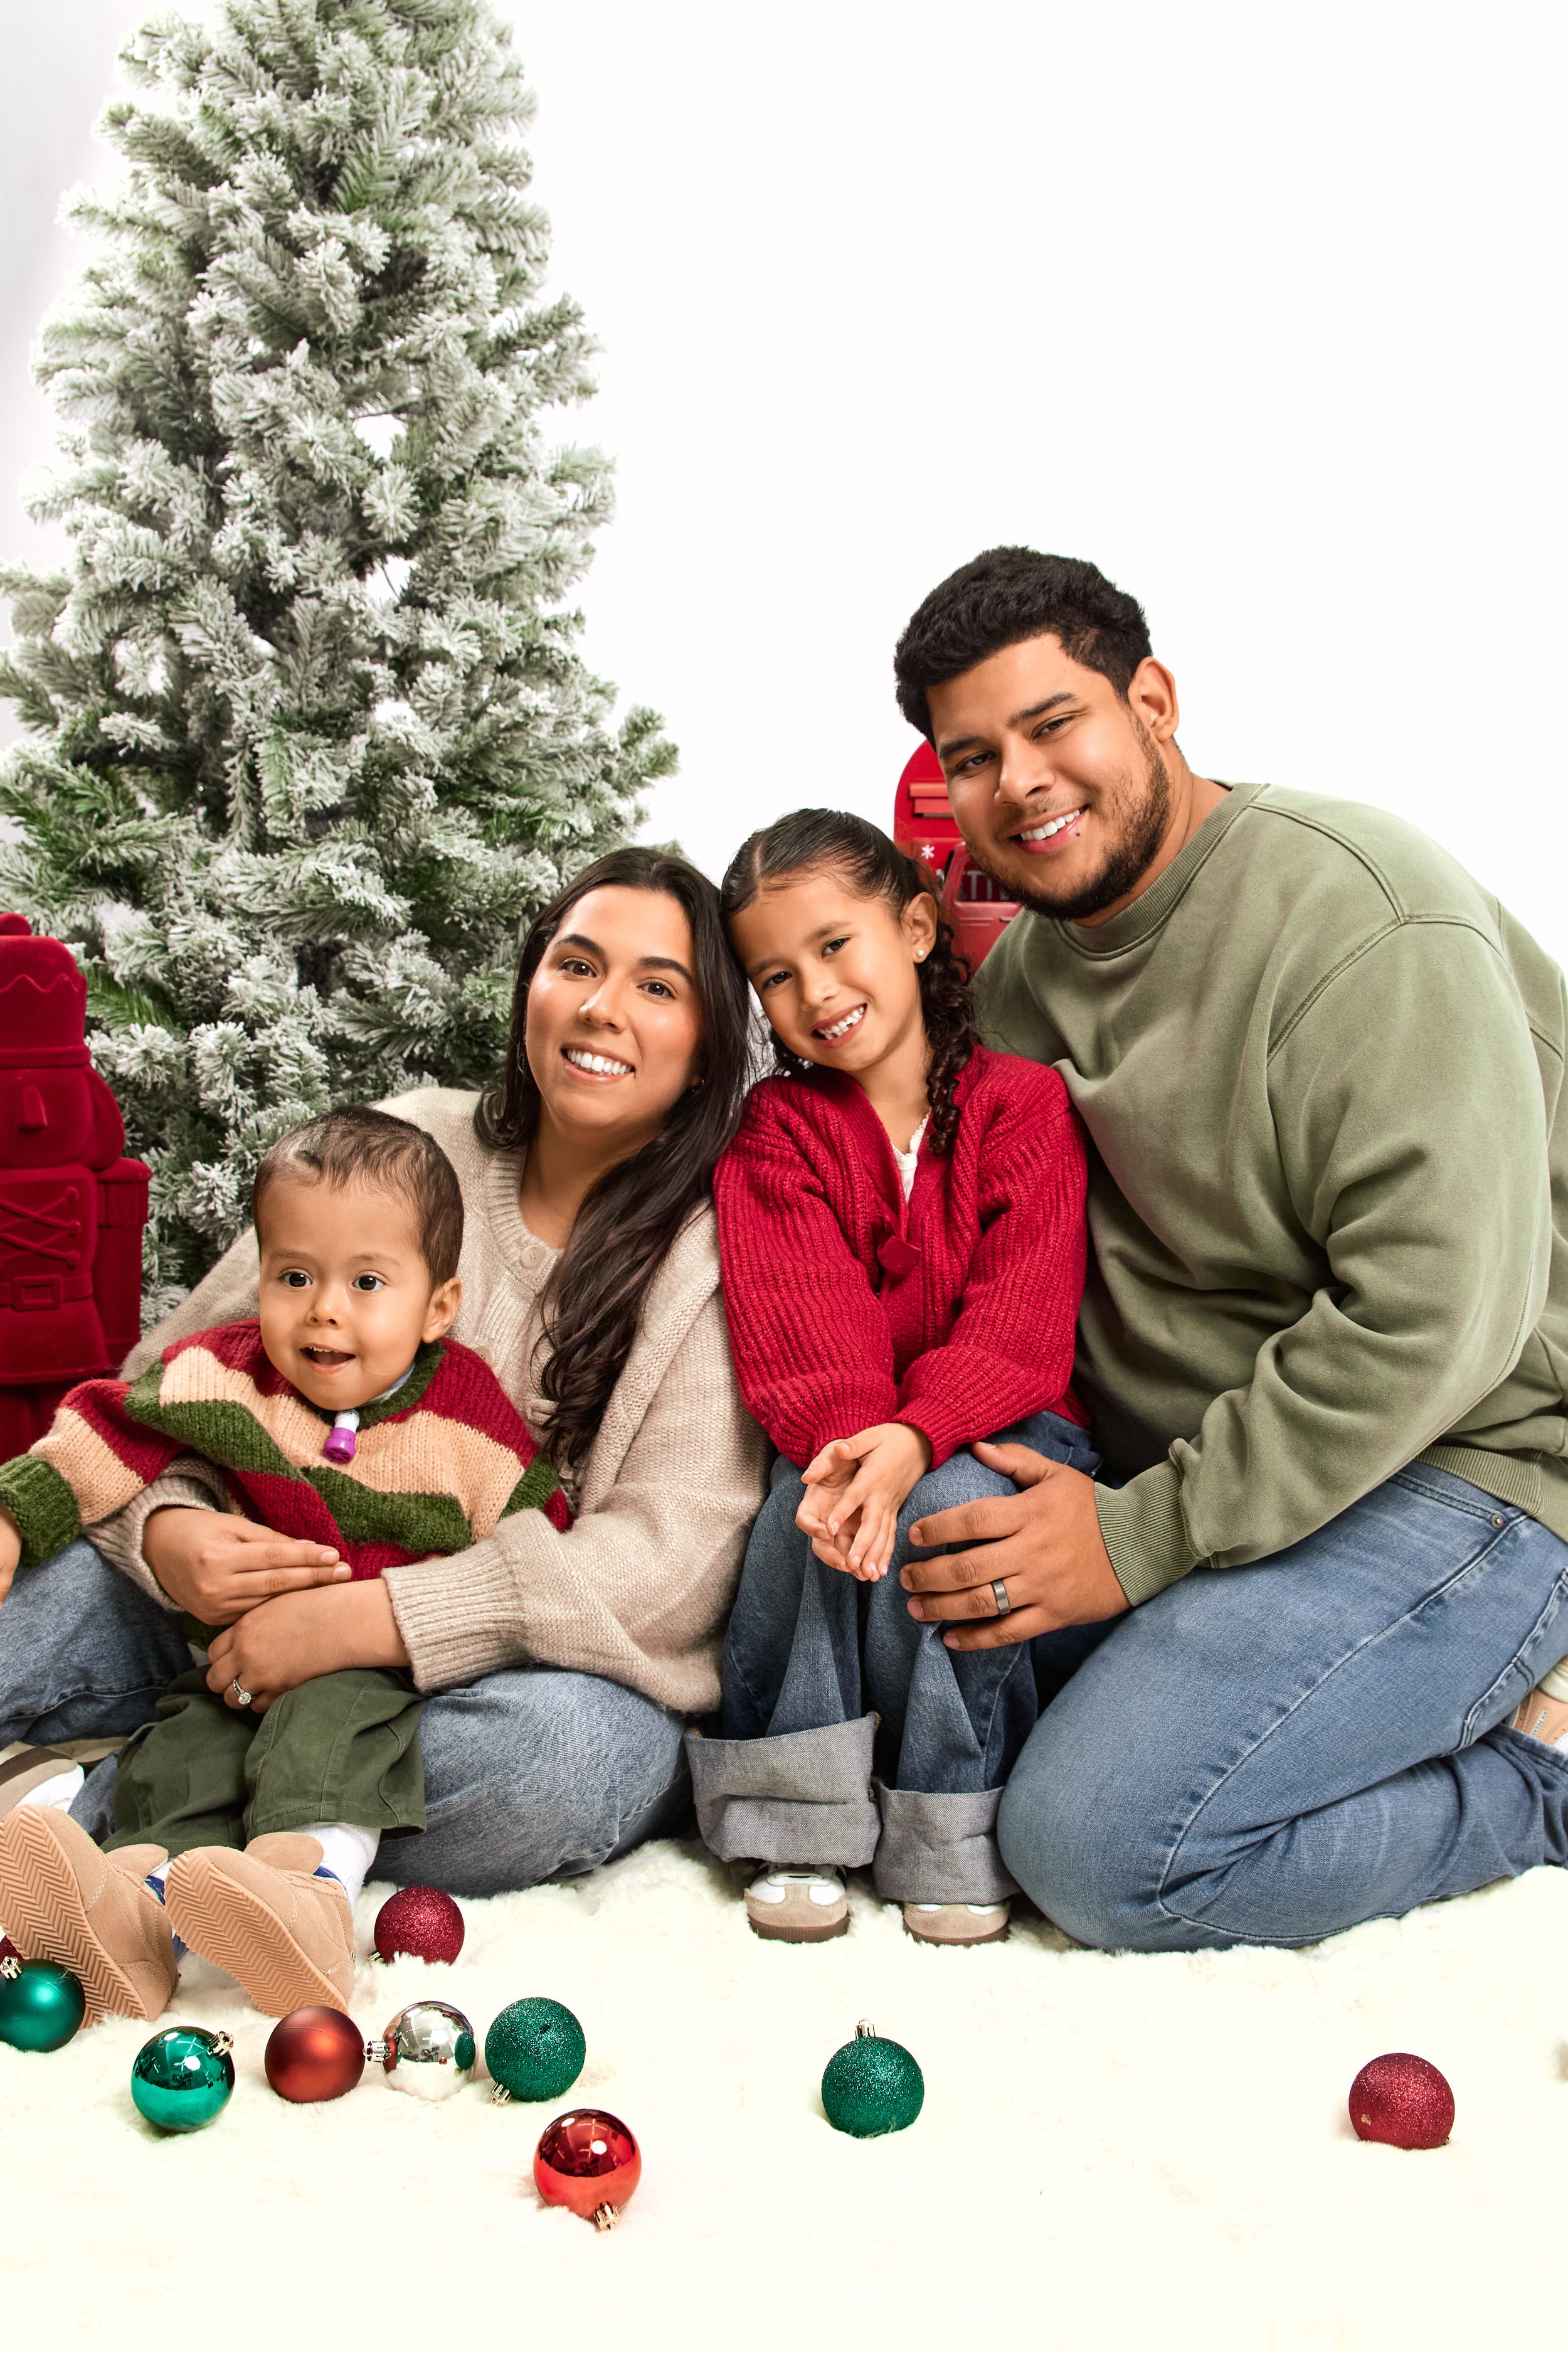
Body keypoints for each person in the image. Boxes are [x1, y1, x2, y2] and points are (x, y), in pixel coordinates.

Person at [879, 544, 1568, 1952]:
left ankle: (1536, 1781)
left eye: (1051, 723)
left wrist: (1138, 1541)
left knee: (1098, 1847)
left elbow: (1436, 1317)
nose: (1016, 782)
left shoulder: (1364, 915)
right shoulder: (1017, 986)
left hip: (1466, 1465)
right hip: (1210, 1475)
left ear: (1152, 699)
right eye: (970, 755)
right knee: (913, 1543)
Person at [0, 848, 770, 1912]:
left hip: (483, 1681)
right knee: (41, 1585)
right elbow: (166, 1383)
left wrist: (376, 1625)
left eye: (657, 986)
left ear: (710, 1046)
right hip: (237, 1610)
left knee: (577, 1762)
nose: (602, 1009)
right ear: (530, 988)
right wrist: (172, 1534)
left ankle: (99, 1827)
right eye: (576, 965)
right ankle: (218, 1807)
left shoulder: (716, 1253)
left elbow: (672, 1565)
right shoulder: (410, 1142)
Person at [0, 1107, 575, 2023]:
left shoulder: (466, 1421)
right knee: (180, 1757)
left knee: (324, 1741)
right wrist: (14, 1516)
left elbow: (538, 1545)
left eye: (368, 1282)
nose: (326, 1310)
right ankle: (133, 1914)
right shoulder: (227, 1375)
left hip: (363, 1671)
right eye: (295, 1276)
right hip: (225, 1664)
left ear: (437, 1307)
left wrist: (452, 1633)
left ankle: (306, 1903)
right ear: (260, 1277)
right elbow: (107, 1433)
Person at [690, 809, 1090, 1947]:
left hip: (1009, 1428)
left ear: (915, 926)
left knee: (954, 1511)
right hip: (838, 1429)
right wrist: (865, 1451)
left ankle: (950, 1828)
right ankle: (793, 1816)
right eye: (775, 975)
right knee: (805, 1516)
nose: (813, 993)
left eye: (835, 945)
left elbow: (1021, 1324)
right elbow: (807, 1323)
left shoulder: (1023, 1106)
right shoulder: (778, 1131)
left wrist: (921, 1441)